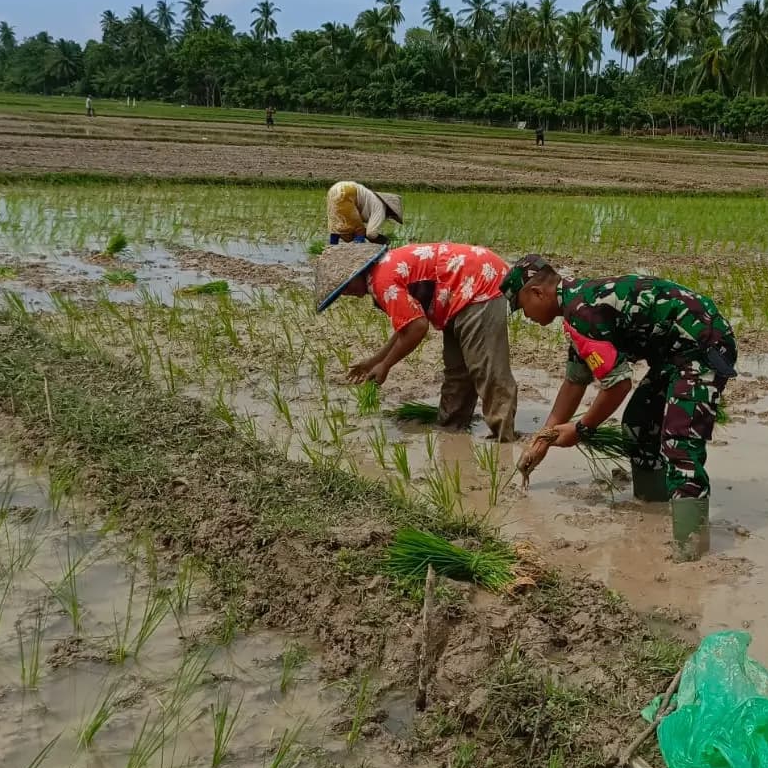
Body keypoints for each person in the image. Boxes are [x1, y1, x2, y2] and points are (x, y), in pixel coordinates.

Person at [503, 256, 736, 551]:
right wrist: (543, 439)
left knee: (681, 443)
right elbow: (576, 380)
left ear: (538, 293)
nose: (526, 316)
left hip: (703, 346)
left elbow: (618, 385)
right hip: (674, 355)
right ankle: (654, 506)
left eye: (522, 308)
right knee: (638, 424)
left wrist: (581, 429)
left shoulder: (581, 312)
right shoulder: (578, 306)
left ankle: (691, 552)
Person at [313, 237, 518, 441]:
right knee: (457, 371)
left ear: (357, 272)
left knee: (487, 368)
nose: (347, 293)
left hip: (477, 281)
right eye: (342, 292)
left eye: (345, 287)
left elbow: (417, 328)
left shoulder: (381, 281)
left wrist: (386, 365)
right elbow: (406, 326)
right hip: (455, 295)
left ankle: (504, 439)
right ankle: (452, 431)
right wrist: (375, 361)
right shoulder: (382, 272)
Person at [326, 180, 402, 245]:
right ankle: (358, 249)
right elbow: (371, 233)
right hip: (347, 191)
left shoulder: (373, 199)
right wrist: (383, 240)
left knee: (336, 223)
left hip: (335, 189)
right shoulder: (381, 208)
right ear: (391, 210)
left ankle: (332, 246)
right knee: (359, 229)